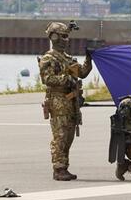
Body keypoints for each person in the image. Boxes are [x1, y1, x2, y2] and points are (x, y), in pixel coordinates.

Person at [39, 22, 92, 181]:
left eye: (66, 36)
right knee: (60, 136)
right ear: (54, 37)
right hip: (57, 100)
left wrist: (89, 58)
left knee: (69, 135)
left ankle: (64, 167)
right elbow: (47, 79)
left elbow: (82, 73)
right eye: (62, 36)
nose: (65, 40)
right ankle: (59, 168)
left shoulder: (68, 58)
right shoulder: (48, 58)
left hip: (71, 101)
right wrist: (67, 78)